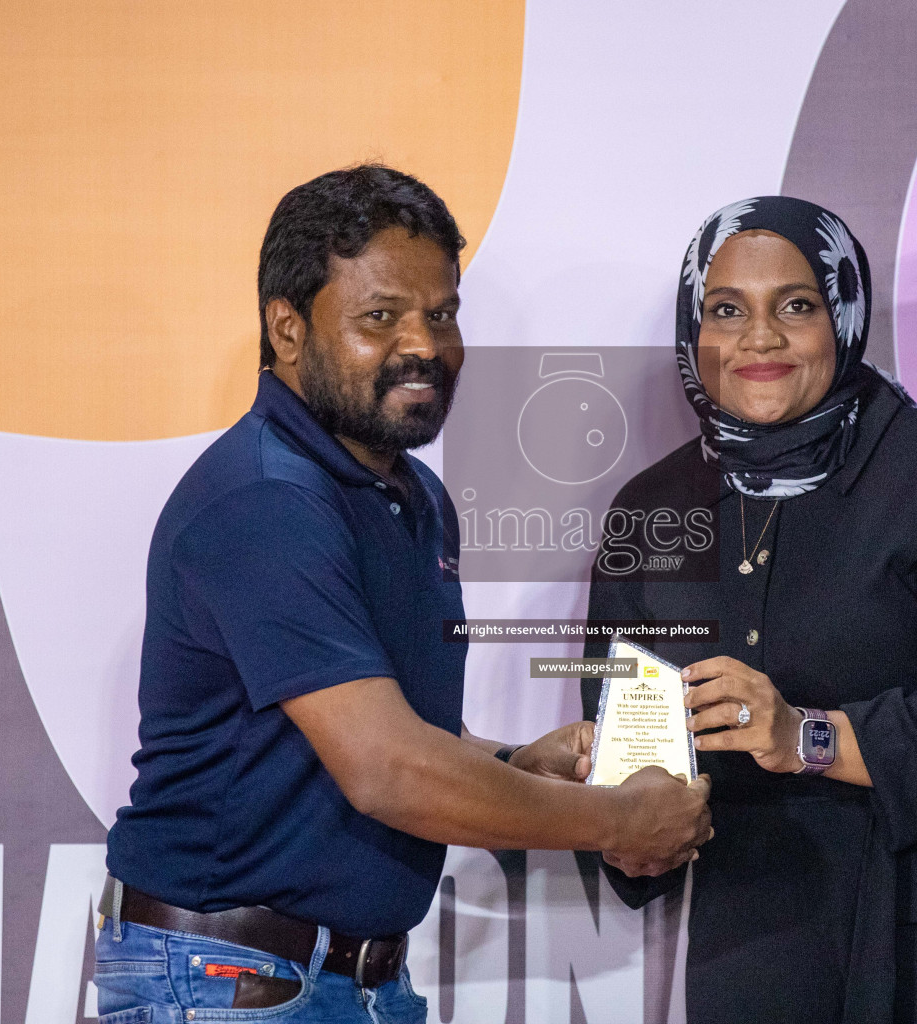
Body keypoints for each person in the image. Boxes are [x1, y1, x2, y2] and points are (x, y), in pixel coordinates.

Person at [96, 165, 711, 1024]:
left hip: (353, 980)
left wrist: (511, 764)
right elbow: (389, 770)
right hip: (227, 982)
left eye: (442, 314)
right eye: (380, 317)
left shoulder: (412, 499)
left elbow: (404, 733)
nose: (424, 343)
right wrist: (615, 821)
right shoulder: (265, 500)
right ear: (287, 328)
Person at [583, 196, 917, 1023]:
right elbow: (625, 746)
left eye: (797, 306)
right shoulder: (650, 508)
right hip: (757, 936)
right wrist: (620, 814)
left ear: (843, 316)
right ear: (691, 329)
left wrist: (806, 737)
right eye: (726, 309)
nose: (759, 338)